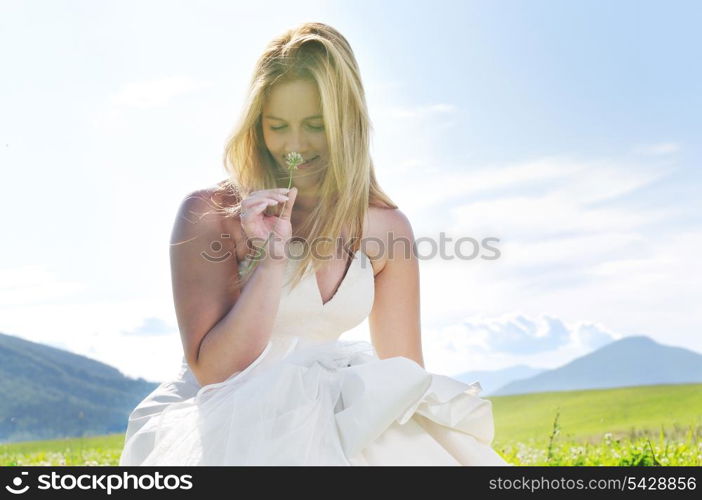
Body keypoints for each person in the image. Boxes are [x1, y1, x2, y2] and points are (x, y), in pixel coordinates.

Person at [119, 21, 511, 466]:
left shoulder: (385, 227)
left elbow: (404, 373)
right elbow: (216, 372)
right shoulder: (213, 213)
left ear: (348, 124)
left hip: (331, 410)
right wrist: (271, 259)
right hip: (223, 423)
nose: (295, 145)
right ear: (256, 124)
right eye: (277, 125)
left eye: (315, 125)